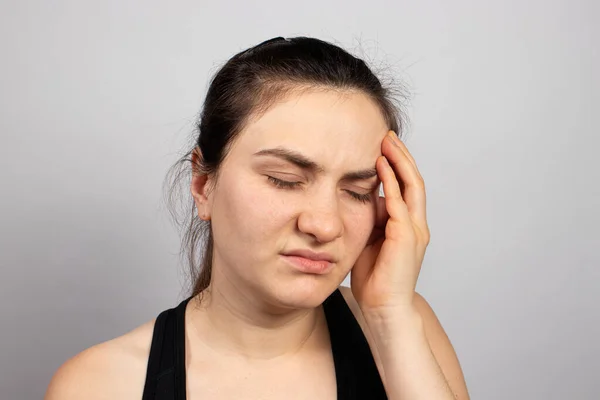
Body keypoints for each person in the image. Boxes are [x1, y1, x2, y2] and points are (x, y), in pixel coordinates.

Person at [45, 36, 469, 399]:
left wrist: (389, 316)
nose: (324, 225)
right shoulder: (102, 385)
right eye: (284, 180)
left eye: (357, 191)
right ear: (202, 184)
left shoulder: (404, 327)